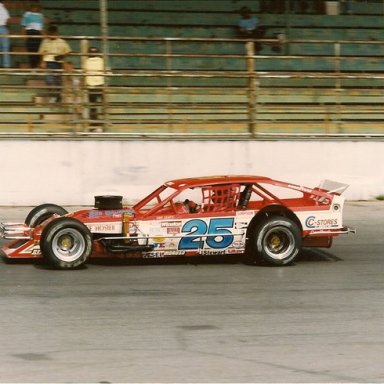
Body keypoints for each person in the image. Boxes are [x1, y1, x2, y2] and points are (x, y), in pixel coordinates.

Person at [38, 24, 71, 102]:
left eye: (52, 34)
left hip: (58, 62)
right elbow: (42, 52)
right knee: (49, 79)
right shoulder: (45, 41)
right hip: (48, 62)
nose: (51, 36)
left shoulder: (62, 41)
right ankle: (54, 95)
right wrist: (42, 62)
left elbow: (68, 51)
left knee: (57, 80)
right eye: (49, 34)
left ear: (56, 33)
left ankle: (57, 95)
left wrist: (61, 56)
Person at [83, 46, 104, 124]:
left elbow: (85, 73)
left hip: (90, 85)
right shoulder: (101, 60)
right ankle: (104, 120)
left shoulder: (87, 61)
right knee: (103, 104)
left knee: (92, 105)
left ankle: (94, 121)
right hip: (100, 84)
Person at [21, 2, 45, 68]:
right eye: (33, 7)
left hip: (38, 33)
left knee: (38, 50)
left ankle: (37, 66)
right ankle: (32, 67)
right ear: (31, 7)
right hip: (30, 32)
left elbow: (41, 27)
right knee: (31, 50)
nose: (35, 8)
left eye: (36, 7)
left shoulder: (40, 15)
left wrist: (44, 36)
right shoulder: (27, 14)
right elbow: (23, 25)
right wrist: (24, 35)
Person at [0, 0, 10, 68]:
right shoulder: (4, 9)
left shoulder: (4, 9)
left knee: (5, 48)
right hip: (3, 28)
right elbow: (7, 20)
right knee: (5, 48)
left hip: (3, 27)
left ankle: (6, 66)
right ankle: (6, 66)